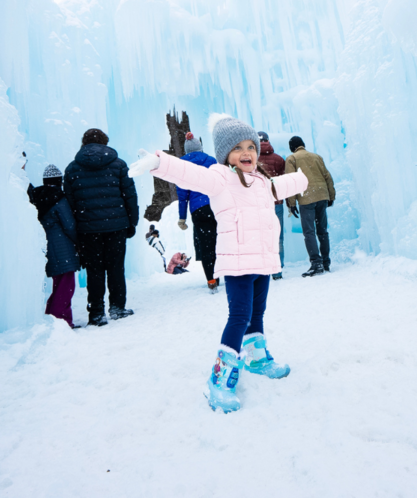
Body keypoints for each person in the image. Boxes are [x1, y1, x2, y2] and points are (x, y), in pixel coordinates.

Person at [128, 114, 308, 413]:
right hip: (237, 263)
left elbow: (279, 187)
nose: (247, 152)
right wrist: (159, 162)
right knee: (239, 315)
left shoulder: (262, 181)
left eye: (250, 146)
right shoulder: (219, 178)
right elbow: (189, 175)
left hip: (262, 259)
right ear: (226, 155)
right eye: (238, 148)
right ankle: (220, 378)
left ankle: (256, 357)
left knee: (257, 312)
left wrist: (301, 178)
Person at [64, 128, 139, 327]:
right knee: (116, 267)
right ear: (105, 142)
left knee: (94, 271)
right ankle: (117, 307)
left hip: (88, 230)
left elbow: (70, 204)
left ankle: (96, 313)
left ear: (84, 143)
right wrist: (132, 222)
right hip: (116, 226)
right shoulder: (119, 165)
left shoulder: (72, 169)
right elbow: (130, 195)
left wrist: (75, 232)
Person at [29, 165, 80, 328]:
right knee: (66, 285)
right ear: (59, 182)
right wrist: (79, 242)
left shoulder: (36, 197)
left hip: (47, 246)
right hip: (63, 247)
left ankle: (51, 317)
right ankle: (61, 320)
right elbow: (70, 225)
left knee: (59, 284)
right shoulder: (59, 198)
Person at [284, 136, 335, 277]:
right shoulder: (316, 156)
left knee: (309, 232)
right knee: (322, 231)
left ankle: (316, 263)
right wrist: (331, 196)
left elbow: (291, 181)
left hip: (307, 199)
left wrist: (292, 203)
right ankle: (325, 262)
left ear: (291, 147)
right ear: (303, 145)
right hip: (322, 196)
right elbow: (327, 177)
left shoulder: (292, 159)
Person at [176, 132, 220, 291]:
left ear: (186, 150)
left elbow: (182, 195)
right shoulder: (211, 160)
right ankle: (220, 274)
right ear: (200, 147)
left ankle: (211, 280)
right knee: (218, 242)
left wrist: (182, 217)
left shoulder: (182, 166)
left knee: (206, 244)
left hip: (198, 210)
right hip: (215, 206)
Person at [257, 131, 286, 279]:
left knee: (260, 237)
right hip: (277, 202)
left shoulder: (252, 160)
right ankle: (277, 269)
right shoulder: (278, 159)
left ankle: (263, 269)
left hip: (259, 205)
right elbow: (283, 181)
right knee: (278, 236)